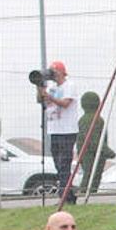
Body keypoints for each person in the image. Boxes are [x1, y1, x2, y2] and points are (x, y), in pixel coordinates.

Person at [37, 61, 80, 205]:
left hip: (67, 130)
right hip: (54, 130)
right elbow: (41, 101)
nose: (52, 74)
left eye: (53, 71)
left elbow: (66, 103)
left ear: (61, 72)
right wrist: (40, 88)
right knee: (58, 163)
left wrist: (50, 97)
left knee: (64, 163)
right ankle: (69, 194)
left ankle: (64, 196)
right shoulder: (52, 87)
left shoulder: (70, 85)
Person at [76, 91, 115, 196]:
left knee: (88, 173)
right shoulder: (96, 119)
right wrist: (107, 151)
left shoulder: (82, 119)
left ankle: (86, 193)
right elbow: (95, 140)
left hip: (83, 152)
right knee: (92, 175)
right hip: (93, 153)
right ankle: (86, 193)